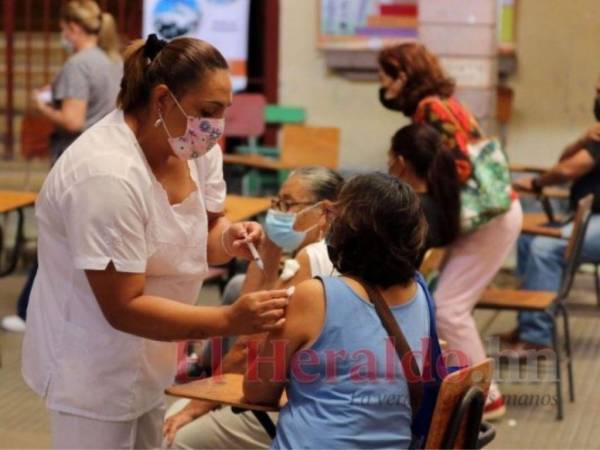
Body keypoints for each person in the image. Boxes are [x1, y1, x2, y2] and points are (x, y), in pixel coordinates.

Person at [21, 34, 289, 450]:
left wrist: (230, 238)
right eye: (208, 111)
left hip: (153, 356)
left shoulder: (194, 147)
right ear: (163, 100)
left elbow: (209, 229)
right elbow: (123, 306)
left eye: (223, 112)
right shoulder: (106, 175)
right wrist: (229, 321)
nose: (216, 127)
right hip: (92, 368)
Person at [378, 42, 523, 419]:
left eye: (385, 74)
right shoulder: (440, 103)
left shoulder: (431, 108)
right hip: (492, 213)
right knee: (447, 304)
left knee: (449, 308)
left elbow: (456, 165)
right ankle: (469, 388)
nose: (381, 83)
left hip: (490, 217)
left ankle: (485, 397)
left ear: (403, 75)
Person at [243, 173, 436, 450]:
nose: (326, 222)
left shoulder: (316, 295)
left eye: (333, 215)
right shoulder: (421, 291)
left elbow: (258, 391)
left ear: (350, 230)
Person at [163, 166, 344, 449]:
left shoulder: (313, 259)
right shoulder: (337, 251)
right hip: (293, 396)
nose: (278, 213)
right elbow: (244, 319)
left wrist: (197, 406)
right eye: (276, 203)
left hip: (289, 409)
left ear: (326, 212)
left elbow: (248, 345)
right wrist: (269, 250)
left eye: (288, 204)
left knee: (170, 438)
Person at [2, 0, 122, 333]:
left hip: (75, 161)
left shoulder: (78, 64)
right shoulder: (113, 61)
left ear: (73, 28)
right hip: (107, 160)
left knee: (55, 237)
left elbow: (73, 119)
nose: (61, 35)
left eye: (62, 29)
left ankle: (28, 311)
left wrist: (42, 107)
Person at [505, 79, 600, 357]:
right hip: (588, 218)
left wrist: (536, 184)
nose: (596, 97)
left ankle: (536, 338)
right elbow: (566, 158)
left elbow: (569, 169)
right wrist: (583, 139)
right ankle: (528, 323)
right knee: (527, 240)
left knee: (545, 249)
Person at [388, 123, 461, 250]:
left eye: (389, 156)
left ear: (400, 162)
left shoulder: (403, 210)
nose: (387, 164)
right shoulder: (441, 204)